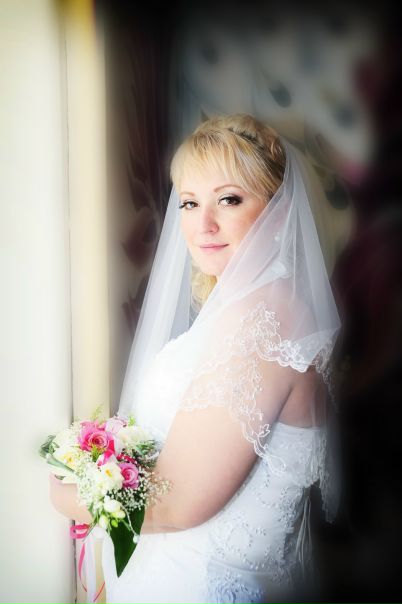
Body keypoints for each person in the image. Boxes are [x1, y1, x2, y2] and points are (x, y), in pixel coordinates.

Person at [49, 113, 341, 603]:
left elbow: (179, 501)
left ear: (278, 210)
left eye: (229, 199)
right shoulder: (254, 309)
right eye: (189, 202)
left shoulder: (263, 318)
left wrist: (64, 493)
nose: (203, 225)